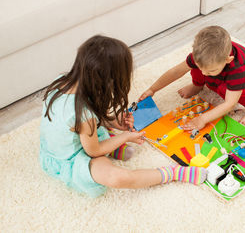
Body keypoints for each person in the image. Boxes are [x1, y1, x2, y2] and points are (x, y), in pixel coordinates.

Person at [39, 35, 207, 198]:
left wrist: (113, 121)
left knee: (102, 133)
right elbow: (93, 150)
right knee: (118, 178)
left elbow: (83, 120)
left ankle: (111, 143)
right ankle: (173, 173)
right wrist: (126, 136)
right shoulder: (82, 113)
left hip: (58, 147)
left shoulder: (63, 81)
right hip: (72, 159)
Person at [139, 26, 245, 130]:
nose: (204, 73)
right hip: (218, 72)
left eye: (210, 70)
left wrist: (202, 119)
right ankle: (197, 86)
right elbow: (176, 72)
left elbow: (230, 104)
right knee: (197, 68)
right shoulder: (201, 57)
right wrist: (152, 89)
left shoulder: (237, 68)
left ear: (228, 60)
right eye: (201, 68)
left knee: (224, 90)